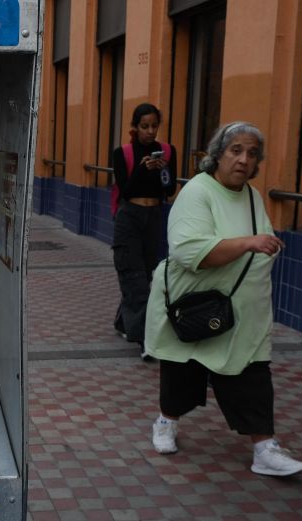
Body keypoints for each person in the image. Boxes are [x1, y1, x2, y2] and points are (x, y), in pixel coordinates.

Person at [144, 121, 302, 476]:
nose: (243, 160)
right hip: (193, 304)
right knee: (182, 367)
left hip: (241, 312)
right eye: (235, 150)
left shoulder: (252, 196)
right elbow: (189, 251)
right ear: (216, 154)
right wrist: (248, 244)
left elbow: (265, 243)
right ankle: (165, 422)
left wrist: (258, 248)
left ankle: (265, 449)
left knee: (251, 373)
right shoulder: (197, 191)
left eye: (251, 153)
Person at [112, 103, 177, 360]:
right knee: (134, 276)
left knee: (148, 273)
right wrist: (141, 168)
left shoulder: (168, 152)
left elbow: (170, 189)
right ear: (135, 127)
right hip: (129, 217)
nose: (150, 132)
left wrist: (163, 168)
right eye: (145, 126)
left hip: (155, 218)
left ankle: (122, 321)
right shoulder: (123, 153)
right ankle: (145, 341)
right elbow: (125, 191)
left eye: (154, 126)